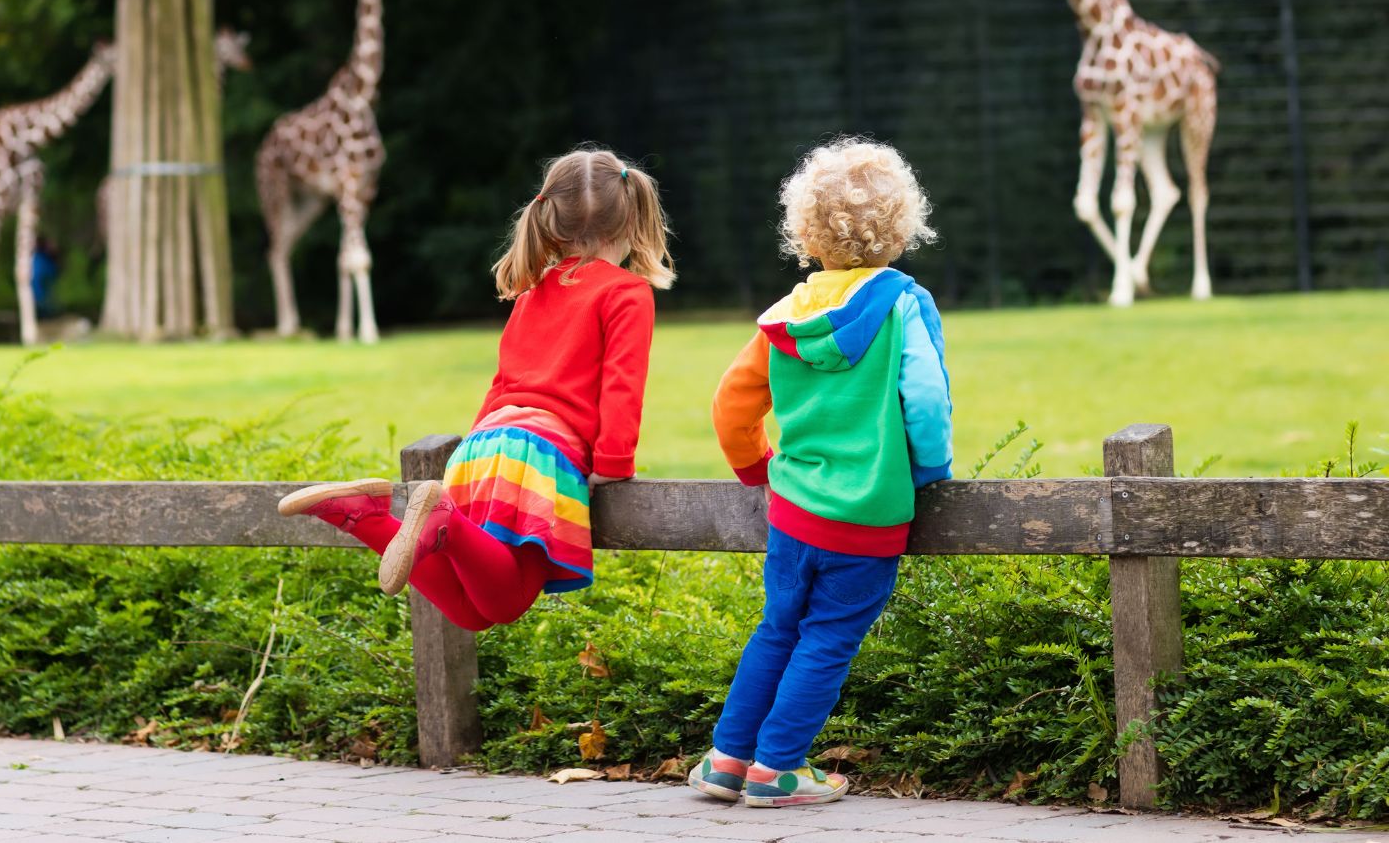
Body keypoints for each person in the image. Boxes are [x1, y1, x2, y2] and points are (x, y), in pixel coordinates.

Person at [278, 145, 675, 630]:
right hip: (540, 458)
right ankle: (440, 519)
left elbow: (503, 381)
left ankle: (363, 516)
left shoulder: (534, 291)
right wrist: (613, 466)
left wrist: (466, 461)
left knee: (471, 611)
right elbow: (622, 386)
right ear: (633, 220)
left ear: (551, 217)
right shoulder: (626, 293)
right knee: (506, 603)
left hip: (486, 445)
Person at [690, 136, 952, 808]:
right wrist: (929, 470)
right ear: (899, 227)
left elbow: (730, 404)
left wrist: (756, 466)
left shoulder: (786, 315)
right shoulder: (903, 302)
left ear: (807, 229)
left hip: (793, 509)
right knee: (829, 635)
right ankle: (777, 769)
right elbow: (923, 399)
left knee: (779, 626)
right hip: (867, 512)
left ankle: (727, 760)